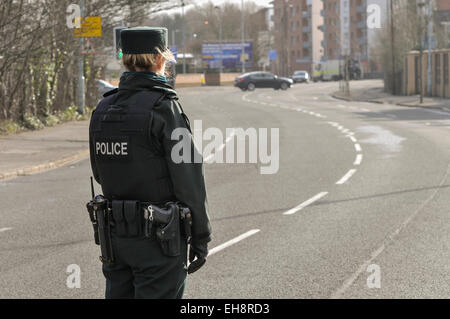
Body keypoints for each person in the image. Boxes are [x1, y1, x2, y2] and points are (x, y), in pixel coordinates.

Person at [88, 27, 211, 299]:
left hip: (115, 239)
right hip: (159, 240)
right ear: (159, 60)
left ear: (124, 60)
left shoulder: (103, 110)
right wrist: (201, 236)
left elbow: (99, 173)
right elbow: (188, 177)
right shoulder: (164, 108)